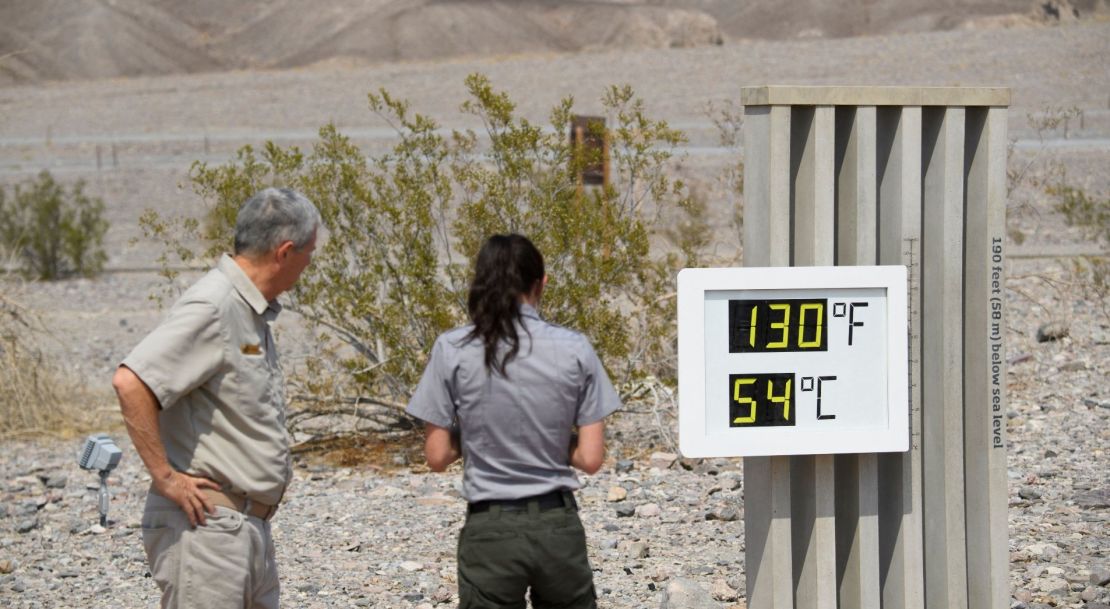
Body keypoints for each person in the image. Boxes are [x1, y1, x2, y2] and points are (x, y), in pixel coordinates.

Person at [112, 187, 321, 609]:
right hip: (207, 531)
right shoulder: (215, 305)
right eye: (309, 253)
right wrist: (166, 478)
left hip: (243, 530)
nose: (309, 265)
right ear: (285, 252)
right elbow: (131, 382)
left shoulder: (249, 311)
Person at [407, 233, 621, 608]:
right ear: (541, 283)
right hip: (557, 525)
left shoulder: (452, 348)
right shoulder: (574, 347)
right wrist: (552, 438)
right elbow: (591, 459)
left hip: (490, 529)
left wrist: (478, 432)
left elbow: (437, 457)